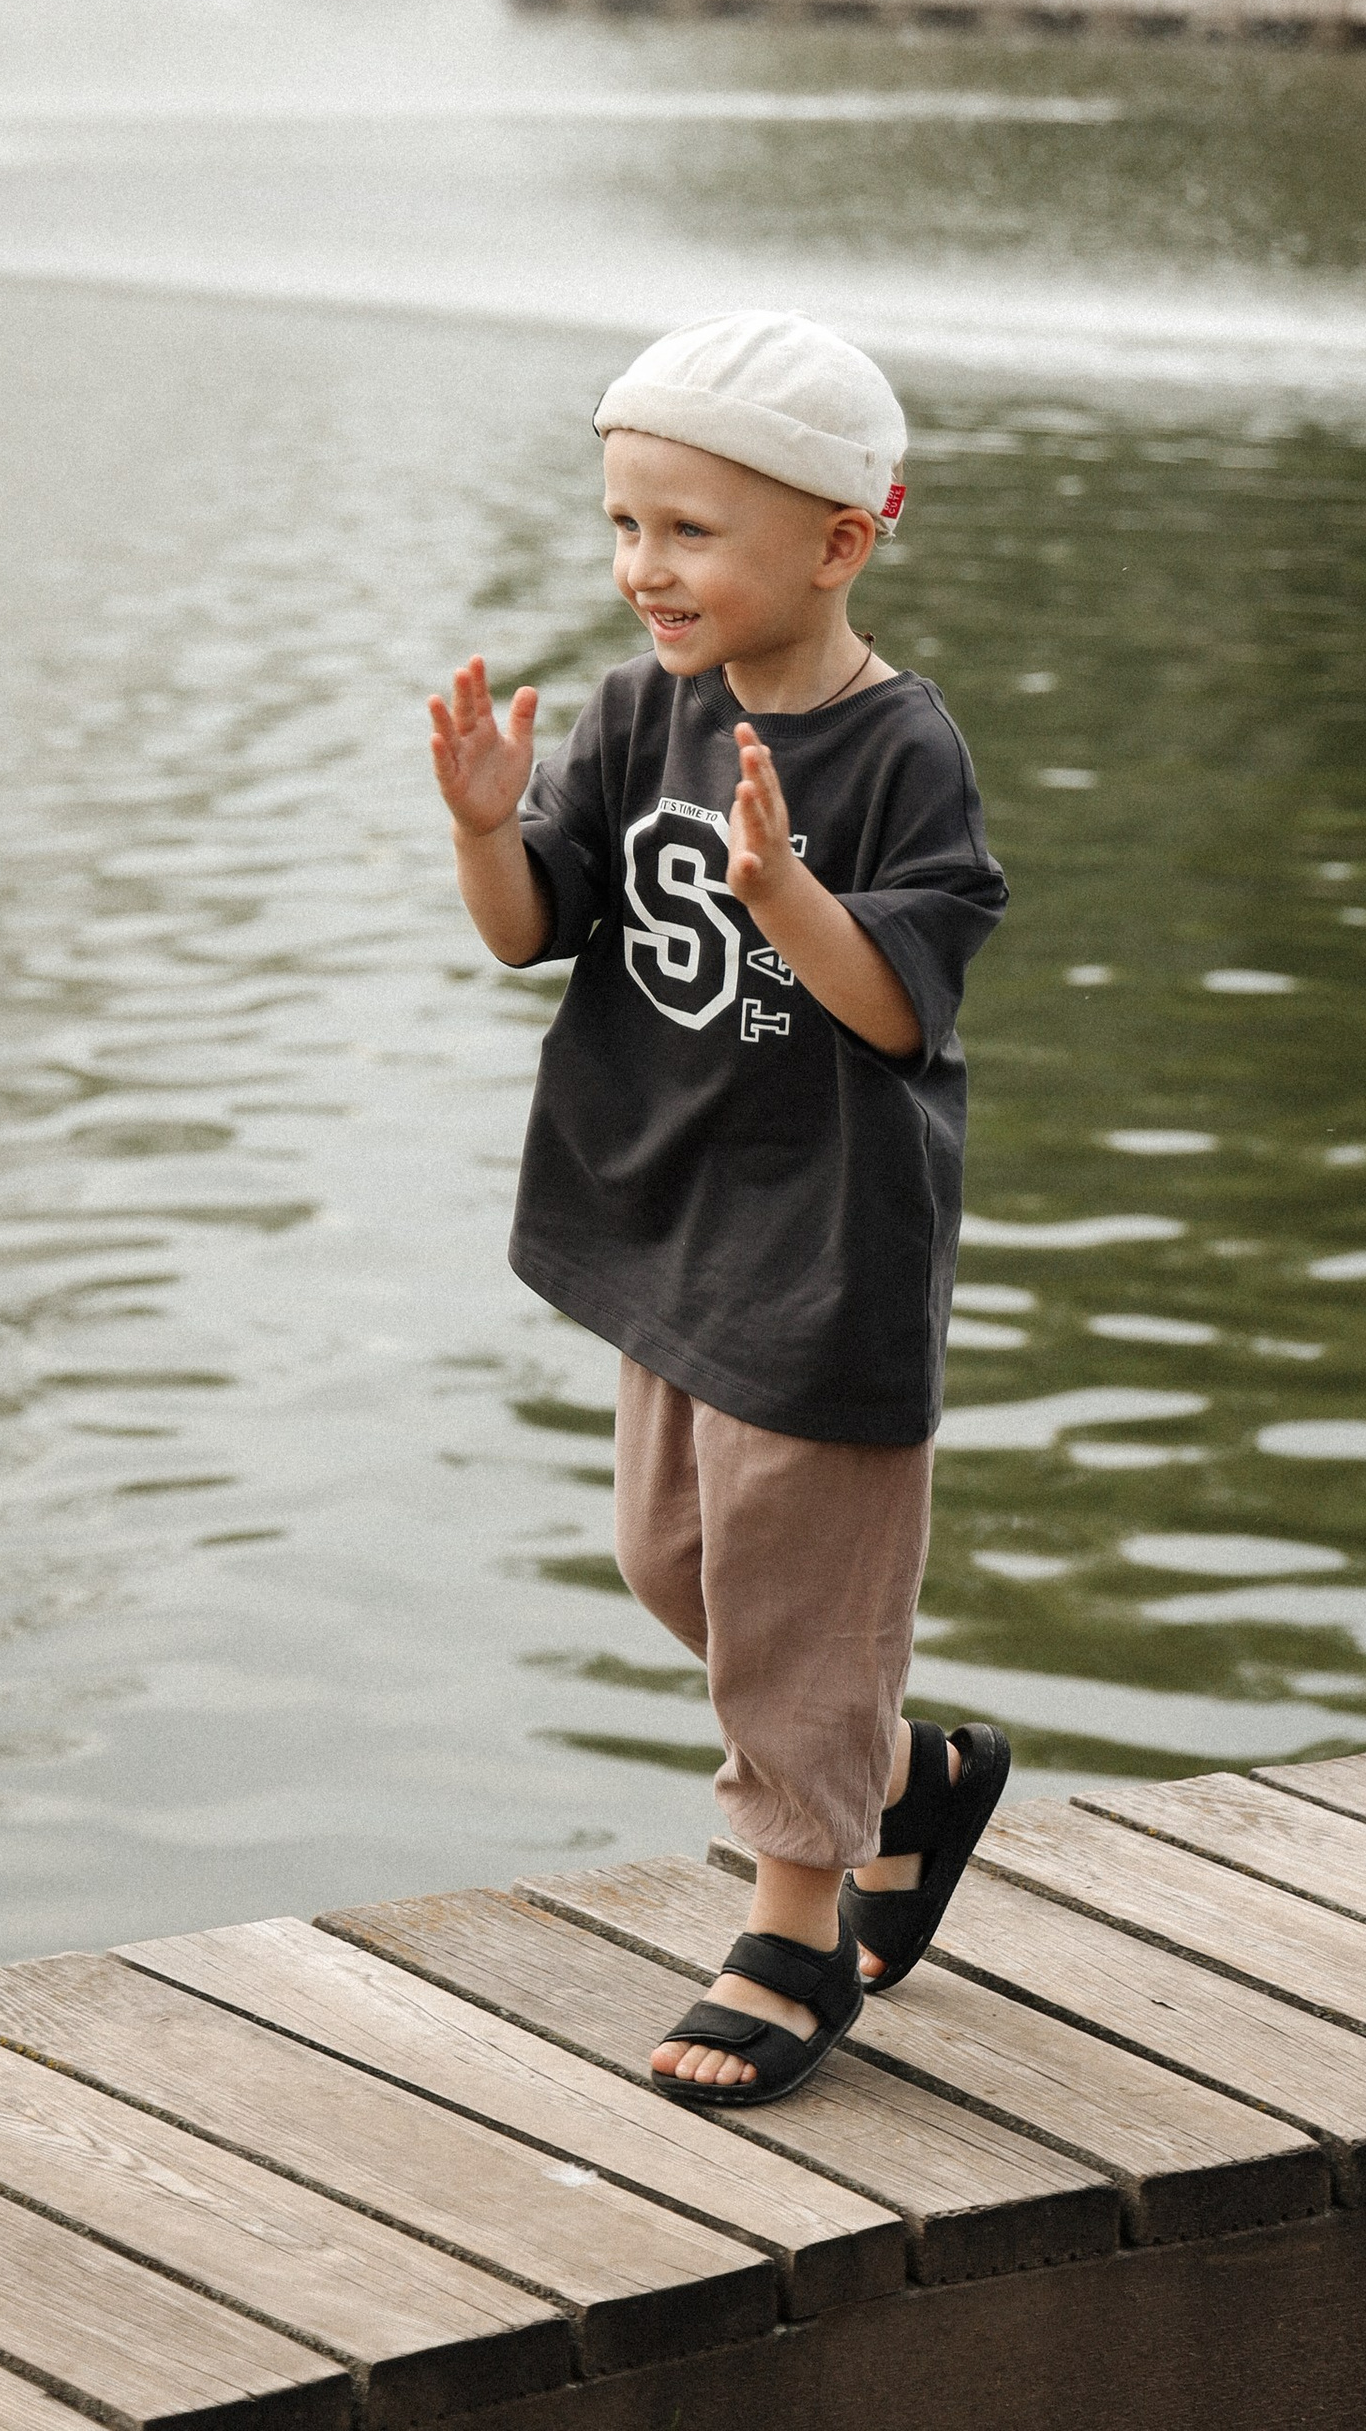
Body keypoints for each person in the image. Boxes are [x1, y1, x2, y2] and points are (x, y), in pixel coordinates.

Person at [428, 311, 1010, 2111]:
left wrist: (790, 900)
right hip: (674, 1215)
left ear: (841, 539)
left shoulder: (901, 751)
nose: (641, 571)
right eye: (624, 526)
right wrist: (482, 829)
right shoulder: (640, 709)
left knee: (792, 1600)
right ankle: (897, 1779)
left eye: (690, 532)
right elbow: (542, 929)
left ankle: (795, 1919)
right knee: (677, 1567)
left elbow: (905, 1002)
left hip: (829, 1241)